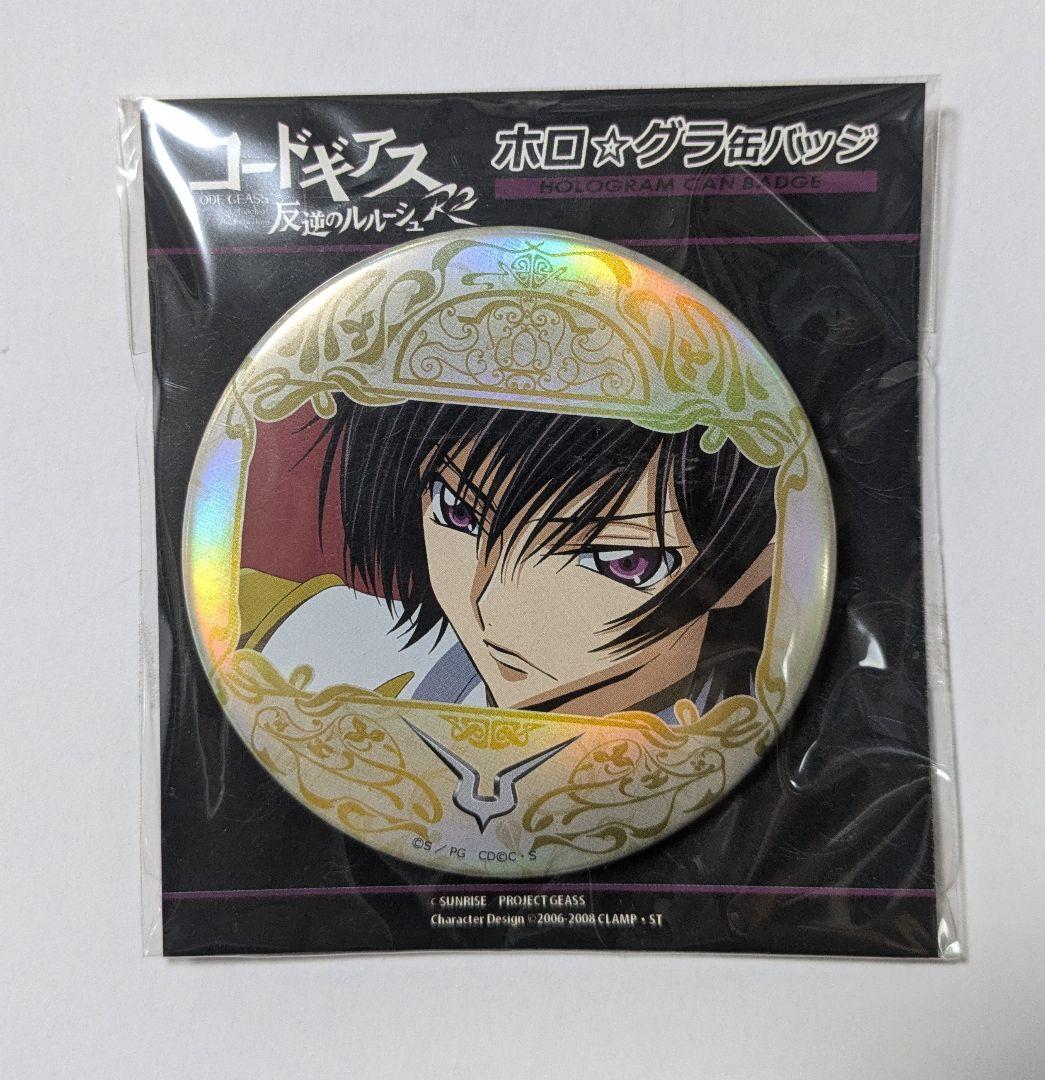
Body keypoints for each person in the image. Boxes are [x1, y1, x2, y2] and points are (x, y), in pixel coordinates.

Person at [243, 394, 777, 723]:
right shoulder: (316, 652)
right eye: (458, 512)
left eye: (621, 561)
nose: (489, 605)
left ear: (755, 563)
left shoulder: (743, 745)